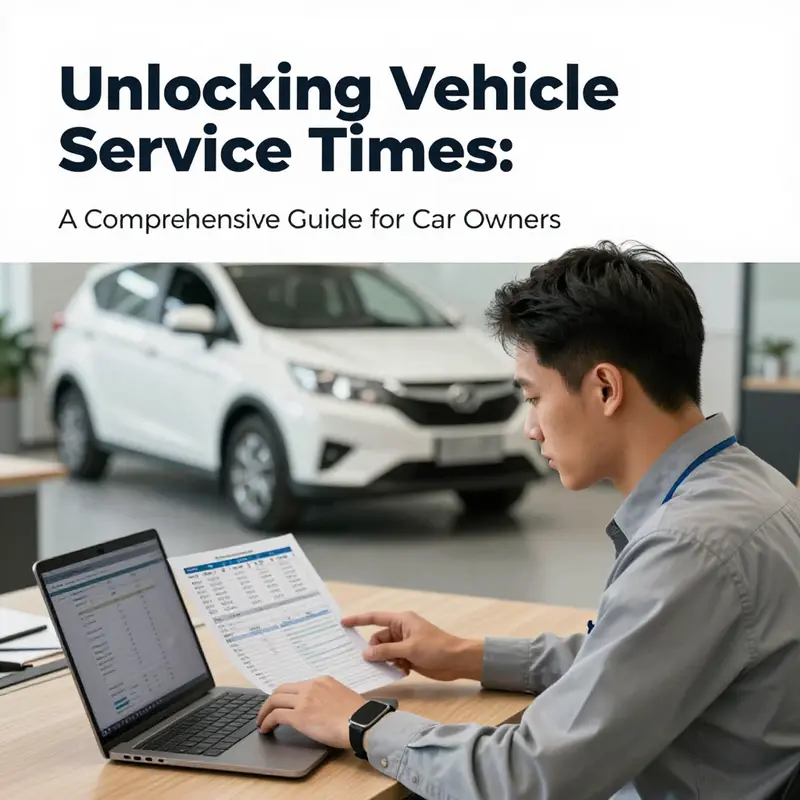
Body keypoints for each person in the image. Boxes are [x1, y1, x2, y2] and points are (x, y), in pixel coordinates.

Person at [255, 243, 800, 799]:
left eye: (534, 397)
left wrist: (361, 723)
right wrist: (465, 655)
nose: (531, 428)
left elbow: (526, 779)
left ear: (605, 389)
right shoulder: (752, 485)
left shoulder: (690, 546)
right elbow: (632, 657)